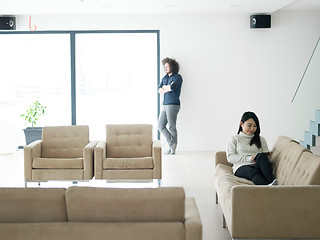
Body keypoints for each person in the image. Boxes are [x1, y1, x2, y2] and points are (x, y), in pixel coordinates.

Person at [226, 111, 278, 185]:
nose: (252, 128)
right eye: (249, 125)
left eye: (255, 126)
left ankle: (272, 183)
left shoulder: (261, 139)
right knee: (254, 173)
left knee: (262, 155)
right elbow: (230, 158)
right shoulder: (235, 139)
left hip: (257, 166)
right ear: (241, 124)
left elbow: (265, 158)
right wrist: (250, 158)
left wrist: (266, 156)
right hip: (241, 167)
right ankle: (269, 187)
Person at [158, 58, 183, 155]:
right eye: (165, 67)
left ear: (172, 66)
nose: (166, 68)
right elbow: (159, 90)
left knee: (172, 126)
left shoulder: (178, 77)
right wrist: (166, 88)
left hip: (173, 104)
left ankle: (172, 148)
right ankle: (172, 144)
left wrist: (166, 87)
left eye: (167, 66)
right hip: (165, 104)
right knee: (160, 126)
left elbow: (171, 87)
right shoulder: (164, 78)